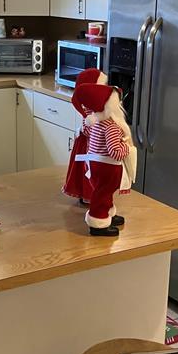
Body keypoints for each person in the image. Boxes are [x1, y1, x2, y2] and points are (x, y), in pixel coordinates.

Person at [74, 81, 136, 236]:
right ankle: (98, 222)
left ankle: (107, 214)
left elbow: (88, 133)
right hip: (107, 168)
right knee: (102, 193)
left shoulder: (97, 123)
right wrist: (127, 148)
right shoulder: (111, 127)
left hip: (95, 165)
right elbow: (115, 151)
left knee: (103, 192)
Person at [63, 68, 110, 204]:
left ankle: (89, 196)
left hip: (87, 144)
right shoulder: (90, 109)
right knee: (89, 172)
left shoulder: (91, 106)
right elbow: (89, 129)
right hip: (89, 147)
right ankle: (89, 197)